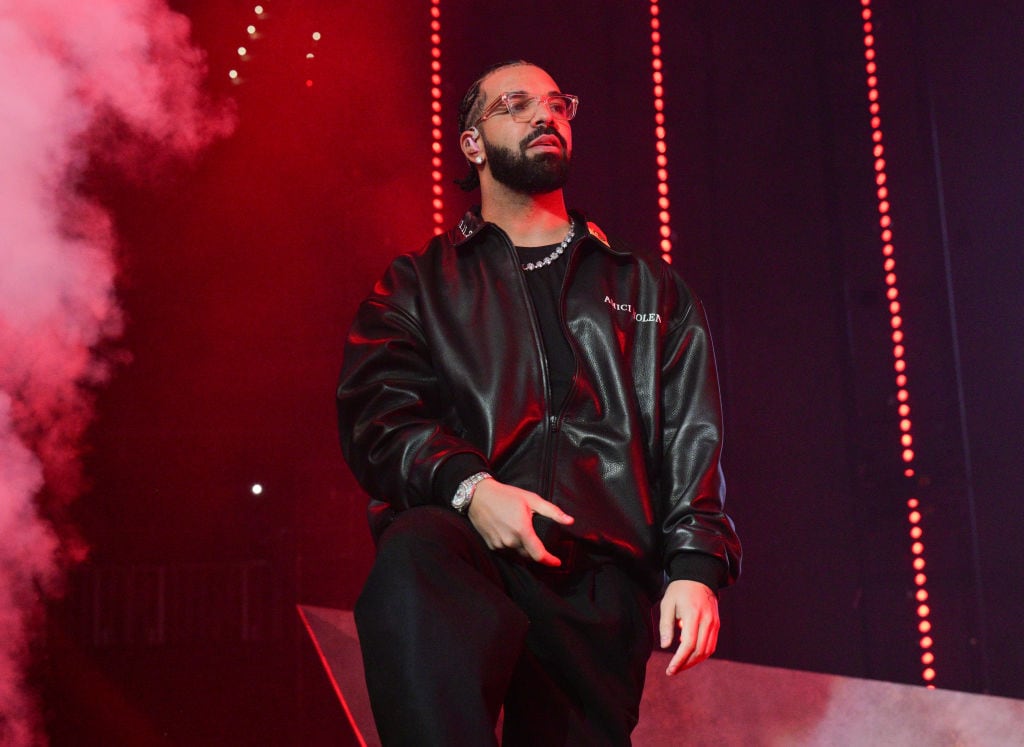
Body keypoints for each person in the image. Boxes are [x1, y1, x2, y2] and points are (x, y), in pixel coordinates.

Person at [336, 59, 741, 746]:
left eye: (556, 104)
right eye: (516, 104)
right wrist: (471, 489)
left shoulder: (650, 290)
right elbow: (379, 413)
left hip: (598, 577)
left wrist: (695, 568)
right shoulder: (419, 286)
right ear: (471, 142)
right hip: (471, 543)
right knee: (412, 558)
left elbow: (690, 436)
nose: (543, 115)